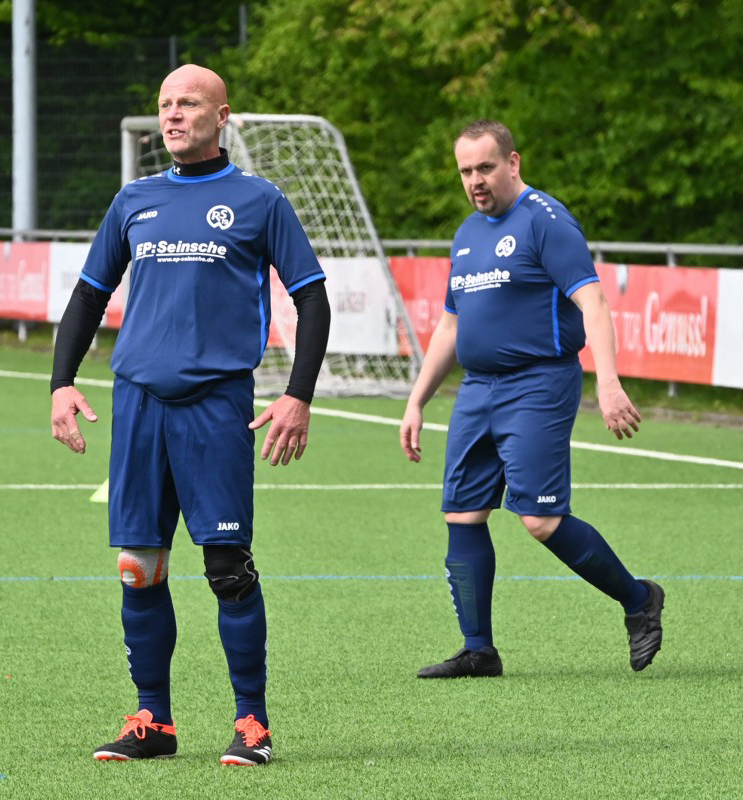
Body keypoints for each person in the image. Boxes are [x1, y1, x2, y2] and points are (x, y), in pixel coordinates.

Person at [49, 64, 330, 765]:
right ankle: (154, 721)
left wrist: (298, 394)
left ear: (221, 115)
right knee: (138, 567)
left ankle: (252, 723)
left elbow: (312, 297)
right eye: (166, 104)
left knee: (227, 568)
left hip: (216, 404)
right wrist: (61, 383)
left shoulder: (259, 200)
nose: (173, 115)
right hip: (139, 403)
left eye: (189, 103)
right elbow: (88, 295)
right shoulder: (134, 200)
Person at [399, 119, 665, 679]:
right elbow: (450, 325)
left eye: (485, 167)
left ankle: (639, 599)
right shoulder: (467, 233)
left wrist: (609, 383)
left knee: (540, 519)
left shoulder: (546, 220)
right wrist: (417, 400)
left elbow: (594, 304)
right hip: (477, 388)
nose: (475, 180)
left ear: (513, 162)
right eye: (466, 171)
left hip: (538, 383)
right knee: (462, 514)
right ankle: (479, 650)